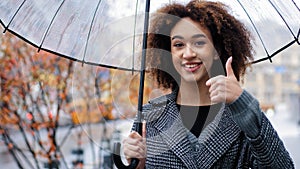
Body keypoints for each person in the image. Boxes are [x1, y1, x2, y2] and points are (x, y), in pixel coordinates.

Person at [122, 1, 295, 168]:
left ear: (216, 50)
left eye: (199, 42)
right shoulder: (150, 115)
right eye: (179, 44)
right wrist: (139, 166)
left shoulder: (241, 114)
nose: (188, 54)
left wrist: (243, 103)